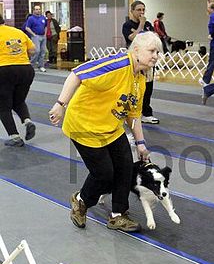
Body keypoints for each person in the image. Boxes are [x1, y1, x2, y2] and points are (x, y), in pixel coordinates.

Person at [49, 31, 162, 233]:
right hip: (84, 126)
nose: (155, 55)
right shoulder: (118, 64)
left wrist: (141, 143)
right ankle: (81, 200)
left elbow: (133, 116)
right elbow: (77, 73)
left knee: (126, 168)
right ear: (136, 49)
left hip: (111, 127)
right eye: (152, 50)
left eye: (158, 52)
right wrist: (60, 104)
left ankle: (118, 215)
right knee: (104, 175)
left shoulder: (141, 79)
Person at [0, 14, 36, 146]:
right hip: (26, 69)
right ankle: (27, 121)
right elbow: (32, 50)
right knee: (19, 101)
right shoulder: (18, 32)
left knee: (3, 107)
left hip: (4, 70)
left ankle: (15, 137)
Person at [122, 0, 159, 124]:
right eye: (138, 10)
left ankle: (146, 112)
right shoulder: (127, 25)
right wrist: (141, 26)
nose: (141, 12)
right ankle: (129, 112)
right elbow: (133, 38)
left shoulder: (148, 24)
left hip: (147, 62)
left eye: (143, 9)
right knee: (133, 88)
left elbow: (153, 38)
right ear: (132, 11)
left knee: (148, 88)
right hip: (135, 61)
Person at [25, 4, 47, 72]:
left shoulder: (43, 17)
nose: (38, 11)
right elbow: (27, 28)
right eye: (36, 9)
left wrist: (45, 34)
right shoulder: (31, 18)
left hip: (43, 36)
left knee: (43, 51)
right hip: (36, 36)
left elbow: (45, 26)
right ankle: (32, 65)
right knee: (37, 51)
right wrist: (33, 34)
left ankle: (41, 66)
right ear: (34, 10)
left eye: (39, 9)